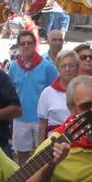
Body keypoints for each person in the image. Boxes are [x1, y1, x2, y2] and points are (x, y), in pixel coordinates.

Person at [9, 31, 59, 162]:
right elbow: (11, 91)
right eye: (23, 44)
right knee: (22, 157)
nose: (26, 46)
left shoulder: (47, 67)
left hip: (41, 120)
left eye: (29, 43)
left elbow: (55, 91)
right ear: (19, 46)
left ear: (35, 45)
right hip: (20, 118)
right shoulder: (13, 67)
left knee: (42, 156)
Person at [37, 50, 80, 143]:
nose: (67, 69)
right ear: (58, 68)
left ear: (77, 68)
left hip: (79, 140)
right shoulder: (47, 92)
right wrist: (40, 147)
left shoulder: (84, 91)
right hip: (54, 142)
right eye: (63, 66)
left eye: (71, 66)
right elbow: (42, 124)